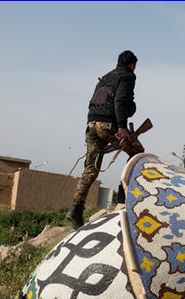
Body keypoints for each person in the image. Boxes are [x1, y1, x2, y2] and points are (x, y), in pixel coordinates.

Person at [66, 50, 144, 228]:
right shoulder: (127, 76)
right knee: (137, 152)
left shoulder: (105, 78)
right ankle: (123, 195)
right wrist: (122, 127)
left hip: (91, 124)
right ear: (131, 65)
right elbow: (121, 100)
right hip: (108, 124)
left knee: (90, 169)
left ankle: (76, 209)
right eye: (135, 66)